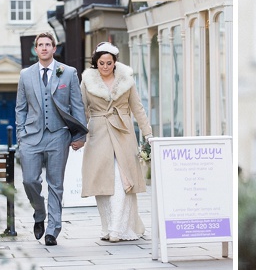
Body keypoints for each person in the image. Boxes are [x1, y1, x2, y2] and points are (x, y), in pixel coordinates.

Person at [15, 32, 88, 246]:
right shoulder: (25, 75)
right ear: (35, 49)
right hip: (31, 136)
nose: (44, 48)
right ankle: (39, 212)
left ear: (54, 48)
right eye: (41, 45)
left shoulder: (68, 73)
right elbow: (20, 108)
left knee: (56, 184)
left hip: (58, 135)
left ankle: (52, 229)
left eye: (48, 44)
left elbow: (77, 106)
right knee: (29, 180)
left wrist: (80, 134)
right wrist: (21, 135)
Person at [79, 42, 153, 242]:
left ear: (114, 63)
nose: (105, 66)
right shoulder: (87, 82)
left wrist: (148, 134)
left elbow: (138, 108)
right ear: (96, 63)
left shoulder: (126, 81)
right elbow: (81, 110)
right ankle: (108, 226)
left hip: (123, 132)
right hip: (98, 133)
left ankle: (116, 230)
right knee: (102, 183)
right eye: (101, 63)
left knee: (123, 182)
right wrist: (76, 135)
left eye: (108, 62)